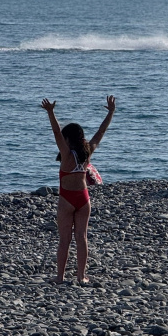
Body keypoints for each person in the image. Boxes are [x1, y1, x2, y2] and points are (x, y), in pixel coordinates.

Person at [41, 95, 115, 285]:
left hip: (67, 199)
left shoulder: (66, 154)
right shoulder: (87, 152)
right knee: (82, 238)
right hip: (84, 199)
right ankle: (81, 277)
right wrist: (111, 112)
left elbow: (56, 132)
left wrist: (51, 112)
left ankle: (60, 277)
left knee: (64, 240)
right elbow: (101, 131)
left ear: (68, 139)